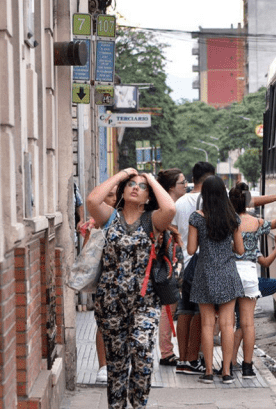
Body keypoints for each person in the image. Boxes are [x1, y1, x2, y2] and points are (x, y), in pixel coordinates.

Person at [86, 168, 176, 409]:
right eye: (131, 185)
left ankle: (138, 404)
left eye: (142, 187)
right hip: (110, 302)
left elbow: (170, 209)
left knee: (142, 353)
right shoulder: (109, 218)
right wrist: (123, 174)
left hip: (145, 302)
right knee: (116, 364)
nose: (136, 188)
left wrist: (151, 179)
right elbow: (93, 200)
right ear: (123, 191)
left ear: (148, 196)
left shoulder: (152, 220)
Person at [227, 183, 276, 378]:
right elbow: (274, 225)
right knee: (248, 324)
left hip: (230, 274)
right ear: (248, 202)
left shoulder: (228, 222)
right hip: (249, 274)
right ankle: (247, 367)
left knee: (228, 323)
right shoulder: (257, 222)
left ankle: (227, 367)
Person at [187, 175, 245, 384]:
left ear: (204, 195)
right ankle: (227, 372)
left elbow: (191, 249)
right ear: (223, 193)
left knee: (207, 325)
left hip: (205, 274)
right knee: (228, 324)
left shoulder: (197, 218)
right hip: (228, 273)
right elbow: (240, 250)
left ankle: (209, 372)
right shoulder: (233, 218)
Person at [173, 162, 215, 376]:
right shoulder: (215, 200)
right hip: (203, 264)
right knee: (201, 313)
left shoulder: (180, 202)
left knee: (184, 311)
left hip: (183, 264)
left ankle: (182, 360)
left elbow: (171, 229)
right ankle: (192, 358)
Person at [79, 184, 118, 384]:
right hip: (106, 279)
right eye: (107, 196)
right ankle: (103, 366)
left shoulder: (132, 217)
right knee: (103, 324)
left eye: (114, 196)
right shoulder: (98, 221)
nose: (110, 199)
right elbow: (85, 254)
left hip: (130, 281)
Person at [155, 168, 187, 367]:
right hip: (166, 261)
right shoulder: (166, 207)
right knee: (168, 305)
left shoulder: (174, 205)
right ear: (171, 187)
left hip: (173, 259)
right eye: (182, 183)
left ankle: (168, 350)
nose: (186, 185)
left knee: (171, 304)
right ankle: (166, 352)